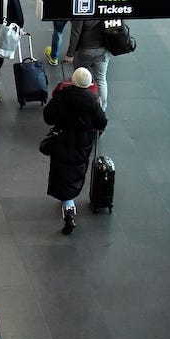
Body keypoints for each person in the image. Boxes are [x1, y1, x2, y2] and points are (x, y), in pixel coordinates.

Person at [43, 67, 108, 234]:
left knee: (62, 173)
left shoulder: (62, 97)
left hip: (62, 141)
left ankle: (68, 208)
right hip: (82, 143)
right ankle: (68, 201)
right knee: (75, 172)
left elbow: (48, 117)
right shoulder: (92, 101)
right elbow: (101, 123)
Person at [64, 19, 110, 110]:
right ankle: (102, 108)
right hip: (103, 50)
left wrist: (70, 54)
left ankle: (80, 107)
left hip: (84, 51)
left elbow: (75, 34)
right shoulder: (105, 8)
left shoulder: (82, 11)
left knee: (80, 79)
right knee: (101, 80)